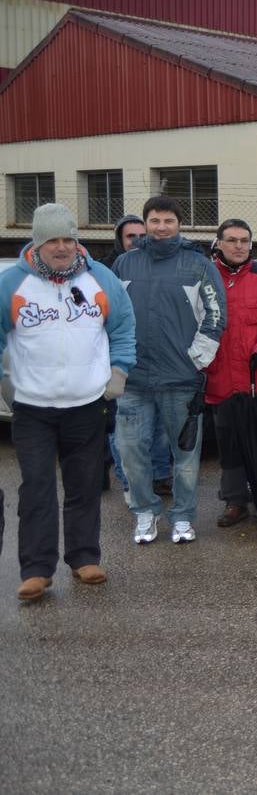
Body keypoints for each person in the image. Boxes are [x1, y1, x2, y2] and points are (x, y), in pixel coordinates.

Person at [0, 204, 136, 600]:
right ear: (37, 243)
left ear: (77, 242)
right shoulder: (13, 284)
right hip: (31, 407)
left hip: (87, 403)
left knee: (84, 485)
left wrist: (119, 373)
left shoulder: (101, 279)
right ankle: (37, 570)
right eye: (53, 241)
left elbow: (124, 327)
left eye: (68, 240)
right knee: (37, 487)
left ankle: (84, 558)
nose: (62, 248)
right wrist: (6, 385)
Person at [113, 196, 226, 546]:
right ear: (145, 223)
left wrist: (197, 358)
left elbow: (216, 313)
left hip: (181, 380)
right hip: (134, 379)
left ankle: (183, 517)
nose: (161, 227)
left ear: (179, 224)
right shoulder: (124, 264)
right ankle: (145, 513)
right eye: (155, 220)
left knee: (186, 457)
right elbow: (111, 315)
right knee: (131, 451)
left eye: (168, 221)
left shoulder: (197, 265)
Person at [205, 219, 257, 529]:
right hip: (221, 378)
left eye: (244, 240)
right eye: (232, 240)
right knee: (230, 444)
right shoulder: (206, 278)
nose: (239, 246)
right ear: (219, 243)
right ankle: (235, 501)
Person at [102, 213, 171, 499]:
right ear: (120, 239)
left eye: (142, 235)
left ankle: (160, 475)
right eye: (130, 236)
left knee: (160, 425)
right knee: (124, 429)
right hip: (122, 364)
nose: (137, 241)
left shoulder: (159, 267)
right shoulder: (108, 272)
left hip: (159, 361)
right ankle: (129, 478)